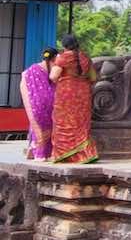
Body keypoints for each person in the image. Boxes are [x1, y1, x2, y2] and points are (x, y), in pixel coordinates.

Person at [48, 34, 99, 164]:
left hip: (66, 95)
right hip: (83, 94)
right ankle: (85, 155)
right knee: (81, 123)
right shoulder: (86, 57)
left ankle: (64, 155)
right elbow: (93, 78)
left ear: (64, 46)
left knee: (64, 123)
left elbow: (53, 76)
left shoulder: (63, 58)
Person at [19, 48, 57, 161]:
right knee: (44, 129)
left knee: (39, 129)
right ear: (53, 58)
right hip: (44, 108)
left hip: (37, 106)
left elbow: (24, 79)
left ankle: (38, 153)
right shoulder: (46, 70)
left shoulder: (32, 69)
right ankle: (41, 153)